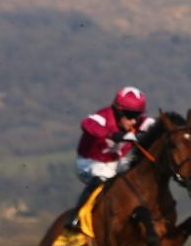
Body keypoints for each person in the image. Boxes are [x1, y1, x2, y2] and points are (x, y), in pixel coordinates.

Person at [65, 86, 156, 231]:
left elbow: (155, 124)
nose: (134, 121)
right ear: (118, 112)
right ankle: (76, 217)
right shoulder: (103, 117)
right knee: (103, 177)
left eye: (137, 115)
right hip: (90, 163)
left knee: (139, 174)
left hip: (115, 162)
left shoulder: (139, 122)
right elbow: (87, 124)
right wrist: (113, 135)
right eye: (129, 115)